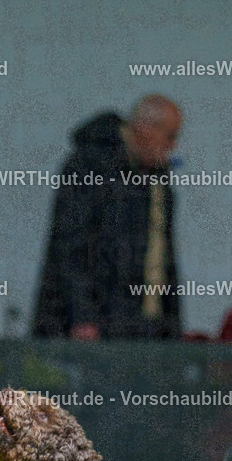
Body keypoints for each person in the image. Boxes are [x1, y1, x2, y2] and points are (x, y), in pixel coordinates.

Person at [32, 94, 183, 340]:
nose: (172, 146)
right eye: (170, 136)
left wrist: (171, 325)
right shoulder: (89, 166)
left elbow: (163, 258)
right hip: (95, 327)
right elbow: (70, 246)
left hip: (144, 327)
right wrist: (82, 316)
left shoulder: (157, 182)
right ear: (144, 128)